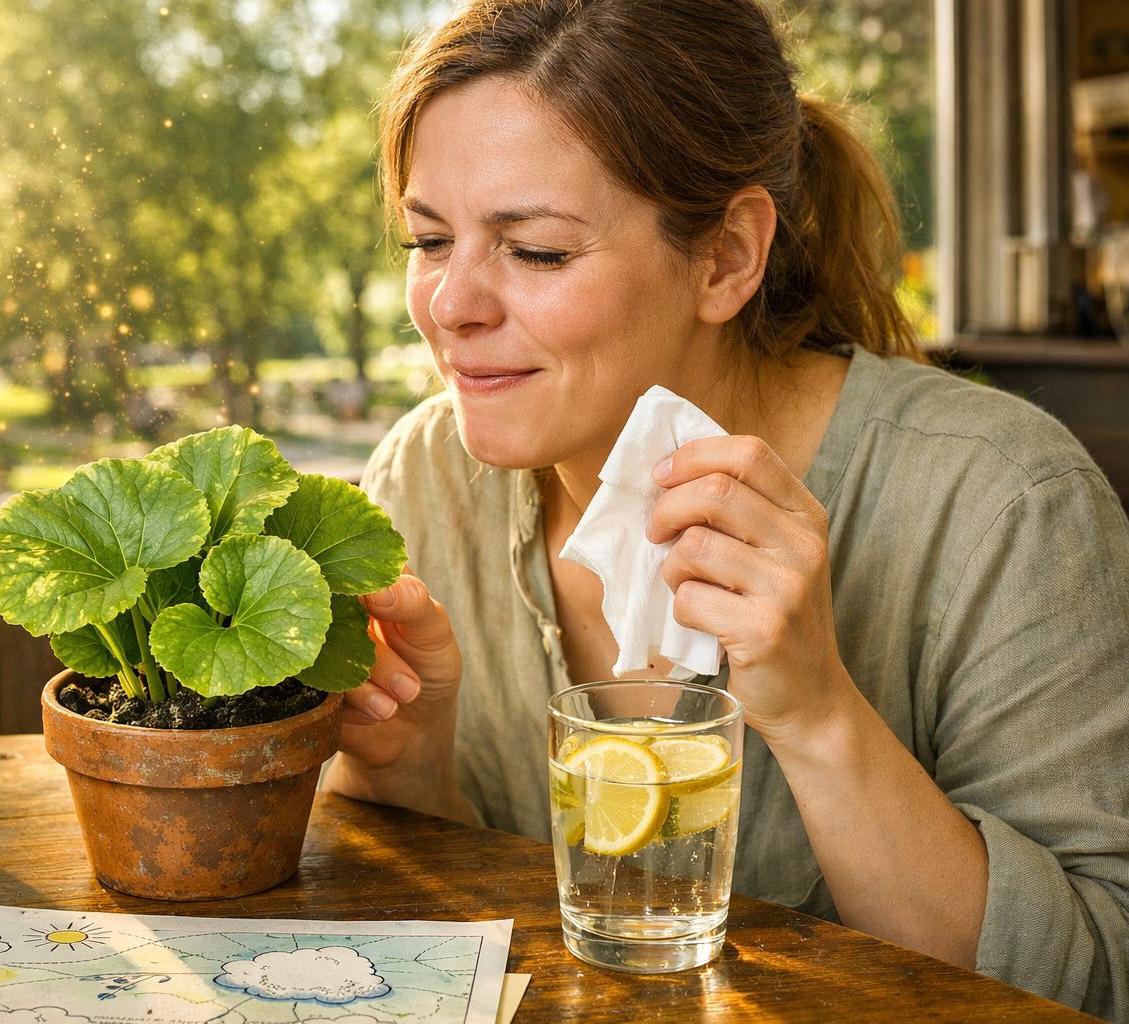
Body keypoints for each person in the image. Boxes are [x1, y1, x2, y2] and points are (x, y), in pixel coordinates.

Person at [317, 1, 1129, 1019]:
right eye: (429, 239)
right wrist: (412, 773)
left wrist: (818, 713)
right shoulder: (422, 485)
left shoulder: (1003, 500)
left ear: (728, 257)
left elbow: (1092, 983)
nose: (450, 305)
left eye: (537, 253)